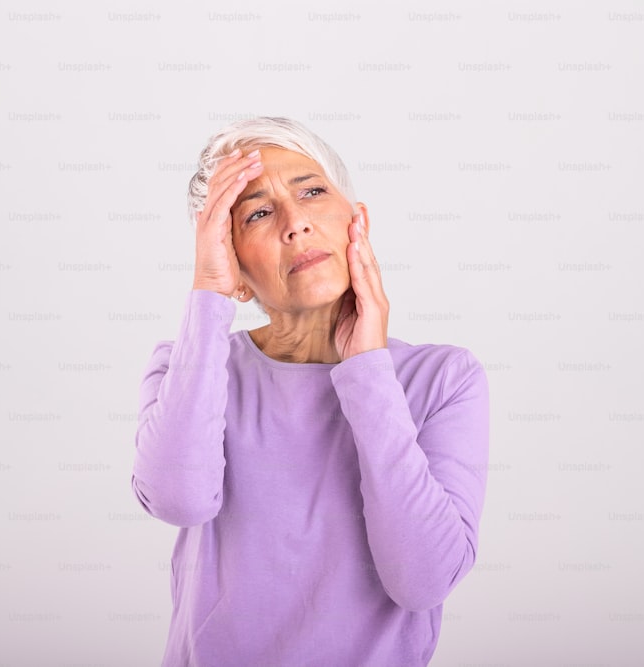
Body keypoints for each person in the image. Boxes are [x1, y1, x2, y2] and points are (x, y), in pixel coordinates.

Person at [131, 116, 490, 666]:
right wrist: (208, 294)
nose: (295, 222)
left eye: (313, 191)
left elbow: (422, 581)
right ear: (234, 266)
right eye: (258, 212)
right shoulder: (191, 367)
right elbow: (178, 499)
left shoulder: (444, 379)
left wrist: (368, 367)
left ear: (357, 222)